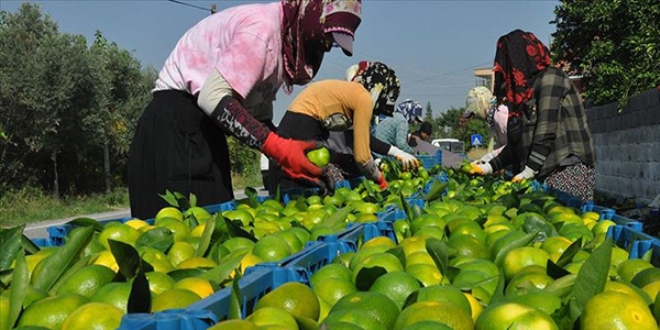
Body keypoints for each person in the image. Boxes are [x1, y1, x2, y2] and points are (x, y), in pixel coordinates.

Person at [127, 0, 363, 219]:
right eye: (330, 37)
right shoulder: (262, 31)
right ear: (313, 13)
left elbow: (257, 120)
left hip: (201, 133)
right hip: (177, 132)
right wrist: (279, 148)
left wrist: (292, 158)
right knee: (185, 235)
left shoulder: (279, 45)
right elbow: (212, 97)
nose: (329, 47)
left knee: (213, 232)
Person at [470, 29, 596, 201]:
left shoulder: (551, 78)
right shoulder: (526, 93)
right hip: (543, 170)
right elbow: (518, 143)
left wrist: (529, 170)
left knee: (565, 220)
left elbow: (547, 128)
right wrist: (488, 167)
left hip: (567, 168)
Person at [276, 62, 402, 190]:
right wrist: (380, 181)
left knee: (291, 186)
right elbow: (362, 158)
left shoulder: (350, 92)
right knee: (301, 191)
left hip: (293, 126)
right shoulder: (363, 98)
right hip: (303, 128)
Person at [462, 86, 509, 163]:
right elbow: (498, 146)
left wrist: (487, 159)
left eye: (474, 112)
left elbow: (514, 144)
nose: (475, 118)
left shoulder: (500, 114)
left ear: (481, 104)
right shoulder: (493, 119)